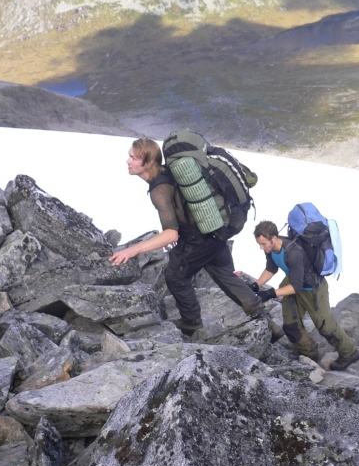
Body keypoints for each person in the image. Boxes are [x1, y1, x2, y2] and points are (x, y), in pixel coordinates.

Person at [109, 137, 281, 338]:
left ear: (147, 162)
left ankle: (191, 323)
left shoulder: (159, 190)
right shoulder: (170, 171)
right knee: (225, 276)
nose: (128, 161)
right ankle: (267, 321)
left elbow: (170, 233)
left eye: (133, 158)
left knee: (175, 276)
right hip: (216, 231)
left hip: (198, 239)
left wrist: (133, 250)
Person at [251, 220, 359, 371]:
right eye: (260, 244)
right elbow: (271, 268)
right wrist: (256, 285)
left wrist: (270, 293)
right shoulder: (270, 249)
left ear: (274, 238)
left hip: (313, 289)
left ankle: (350, 353)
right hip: (293, 283)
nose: (262, 248)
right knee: (290, 325)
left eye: (263, 244)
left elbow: (295, 287)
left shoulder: (293, 252)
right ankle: (309, 353)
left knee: (326, 327)